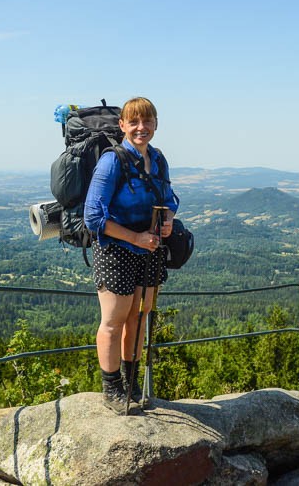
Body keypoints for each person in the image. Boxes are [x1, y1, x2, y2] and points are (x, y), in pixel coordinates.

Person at [83, 97, 179, 414]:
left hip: (149, 249)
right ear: (122, 125)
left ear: (156, 124)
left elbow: (169, 199)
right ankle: (111, 387)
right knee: (115, 320)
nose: (142, 127)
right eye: (134, 122)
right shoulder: (113, 161)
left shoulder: (158, 159)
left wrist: (167, 221)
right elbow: (93, 216)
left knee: (140, 314)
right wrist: (135, 236)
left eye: (147, 121)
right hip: (116, 249)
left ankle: (131, 382)